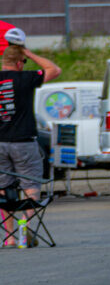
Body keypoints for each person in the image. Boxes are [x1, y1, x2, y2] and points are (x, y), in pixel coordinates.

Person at [0, 39, 61, 245]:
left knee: (3, 189)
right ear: (19, 63)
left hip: (0, 143)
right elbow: (54, 70)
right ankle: (23, 226)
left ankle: (9, 237)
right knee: (31, 185)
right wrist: (29, 53)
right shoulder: (25, 77)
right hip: (23, 142)